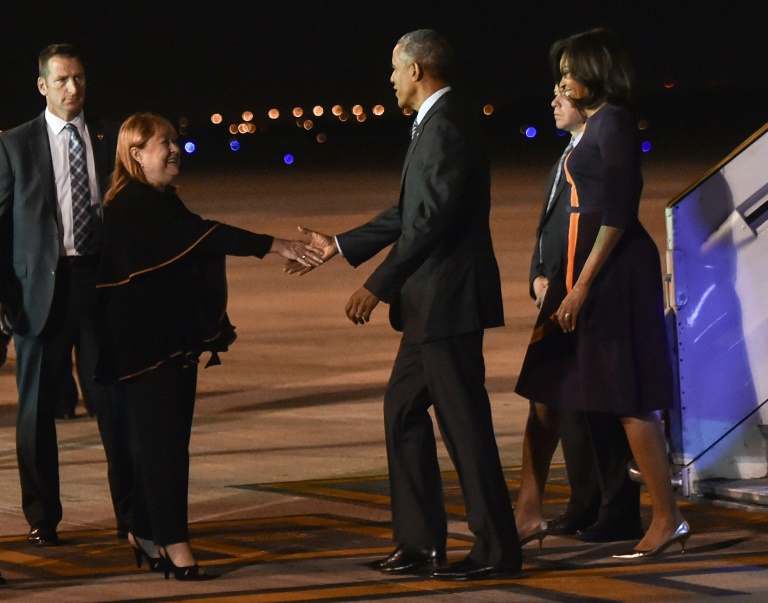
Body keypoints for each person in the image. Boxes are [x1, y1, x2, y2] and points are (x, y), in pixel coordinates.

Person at [288, 29, 521, 580]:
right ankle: (420, 543)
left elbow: (428, 223)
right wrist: (341, 245)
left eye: (395, 69)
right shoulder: (436, 124)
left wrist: (378, 284)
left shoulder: (447, 125)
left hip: (447, 303)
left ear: (416, 70)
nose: (390, 79)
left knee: (465, 427)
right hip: (428, 308)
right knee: (402, 412)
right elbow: (408, 210)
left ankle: (497, 551)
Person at [95, 112, 323, 580]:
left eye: (175, 142)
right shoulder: (133, 205)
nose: (176, 150)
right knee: (165, 447)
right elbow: (204, 236)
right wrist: (273, 244)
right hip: (147, 348)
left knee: (161, 443)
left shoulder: (160, 200)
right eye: (165, 144)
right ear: (137, 155)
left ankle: (144, 530)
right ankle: (175, 544)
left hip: (168, 342)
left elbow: (195, 236)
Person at [515, 28, 689, 559]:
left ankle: (667, 518)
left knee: (626, 399)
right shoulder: (592, 126)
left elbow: (618, 209)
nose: (563, 82)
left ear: (596, 71)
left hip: (611, 279)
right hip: (577, 277)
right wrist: (553, 278)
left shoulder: (612, 120)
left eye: (570, 72)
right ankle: (525, 511)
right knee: (544, 388)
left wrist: (582, 285)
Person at [0, 43, 133, 546]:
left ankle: (131, 514)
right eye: (61, 81)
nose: (73, 88)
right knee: (35, 414)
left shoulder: (111, 136)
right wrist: (4, 296)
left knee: (115, 406)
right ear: (42, 86)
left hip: (100, 286)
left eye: (79, 78)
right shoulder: (15, 144)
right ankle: (43, 518)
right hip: (41, 294)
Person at [515, 86, 643, 545]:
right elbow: (550, 225)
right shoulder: (566, 158)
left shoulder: (598, 148)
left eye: (562, 94)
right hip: (557, 288)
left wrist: (578, 284)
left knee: (597, 403)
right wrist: (536, 276)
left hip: (584, 289)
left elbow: (607, 217)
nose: (552, 101)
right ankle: (584, 502)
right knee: (562, 402)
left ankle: (618, 510)